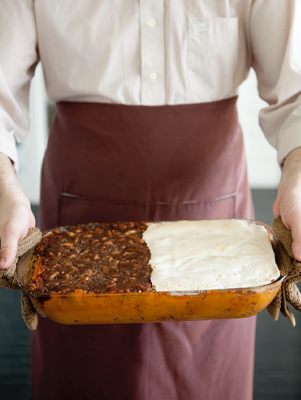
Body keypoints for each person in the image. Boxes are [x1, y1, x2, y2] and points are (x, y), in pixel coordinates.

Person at [0, 1, 301, 399]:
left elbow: (295, 93)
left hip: (212, 215)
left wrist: (297, 179)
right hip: (79, 202)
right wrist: (5, 192)